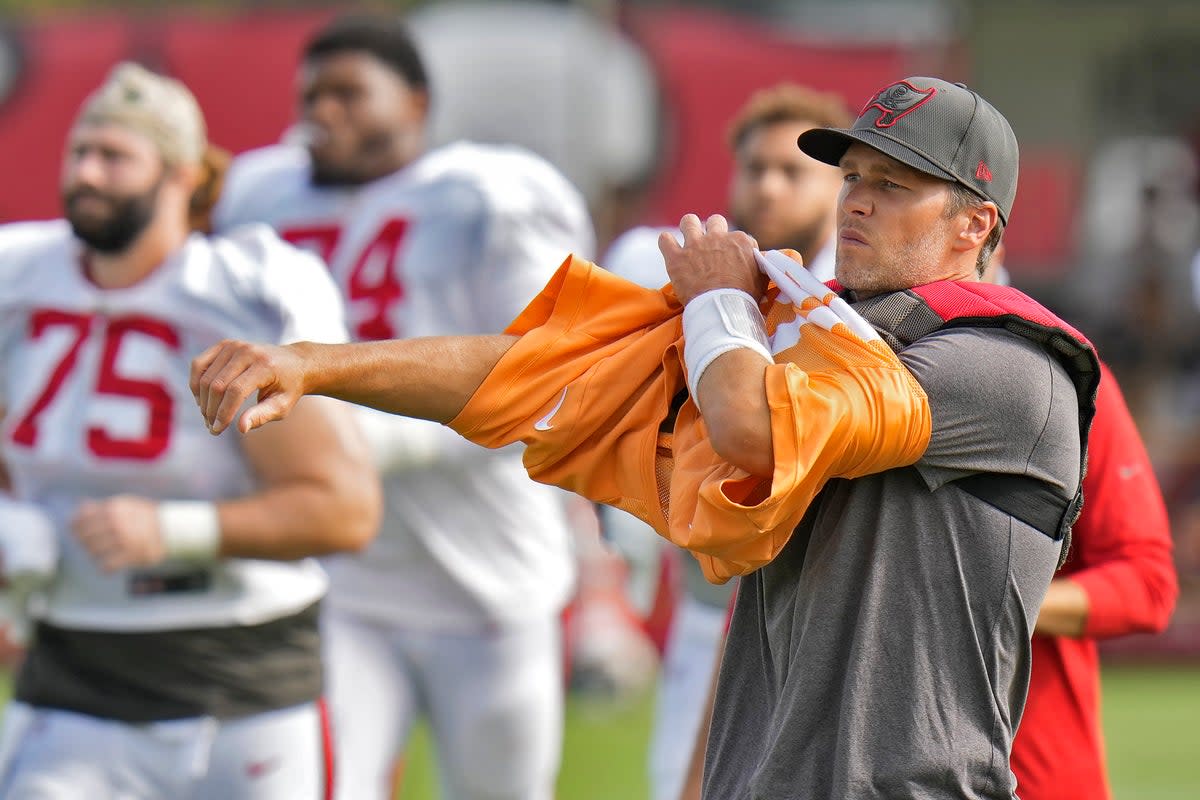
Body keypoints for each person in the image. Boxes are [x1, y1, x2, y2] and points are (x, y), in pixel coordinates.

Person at [192, 77, 1100, 799]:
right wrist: (317, 365)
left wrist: (717, 298)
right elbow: (529, 373)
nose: (852, 202)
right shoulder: (806, 332)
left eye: (892, 186)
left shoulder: (1007, 367)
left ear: (975, 223)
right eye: (853, 177)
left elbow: (754, 429)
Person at [211, 16, 594, 800]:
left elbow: (540, 380)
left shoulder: (488, 195)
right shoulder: (263, 195)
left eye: (350, 92)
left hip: (486, 578)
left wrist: (361, 446)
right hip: (346, 581)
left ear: (416, 102)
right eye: (311, 93)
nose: (324, 111)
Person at [0, 63, 381, 799]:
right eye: (79, 152)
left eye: (114, 156)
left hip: (243, 686)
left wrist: (175, 531)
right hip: (75, 680)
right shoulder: (18, 280)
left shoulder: (236, 296)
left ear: (179, 176)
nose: (86, 173)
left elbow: (343, 507)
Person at [601, 82, 852, 800]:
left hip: (824, 616)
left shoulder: (865, 297)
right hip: (710, 606)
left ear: (841, 188)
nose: (770, 186)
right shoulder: (661, 268)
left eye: (794, 170)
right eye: (756, 167)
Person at [983, 252, 1178, 800]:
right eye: (854, 177)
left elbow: (1148, 584)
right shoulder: (838, 353)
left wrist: (997, 602)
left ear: (983, 230)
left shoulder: (1069, 376)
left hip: (1036, 769)